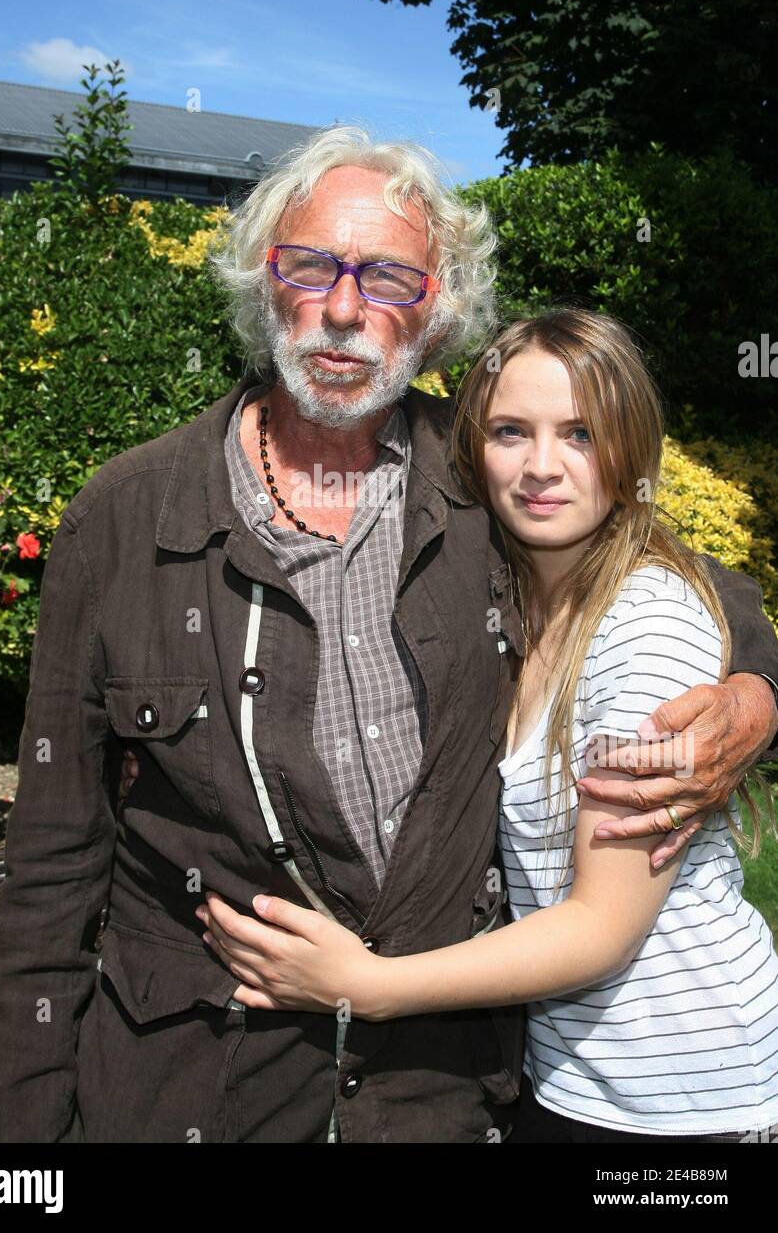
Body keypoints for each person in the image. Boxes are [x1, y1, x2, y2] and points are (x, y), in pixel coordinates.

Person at [0, 127, 778, 1144]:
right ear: (260, 286)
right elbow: (50, 868)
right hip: (206, 1088)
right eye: (310, 266)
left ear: (434, 317)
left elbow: (656, 566)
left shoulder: (479, 473)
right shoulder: (127, 516)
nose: (345, 310)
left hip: (438, 1094)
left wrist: (751, 686)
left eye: (389, 277)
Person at [197, 308, 778, 1143]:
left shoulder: (644, 625)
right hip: (573, 1074)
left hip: (682, 1091)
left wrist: (365, 983)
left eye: (581, 433)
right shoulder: (512, 593)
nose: (543, 467)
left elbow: (601, 926)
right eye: (511, 431)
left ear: (631, 450)